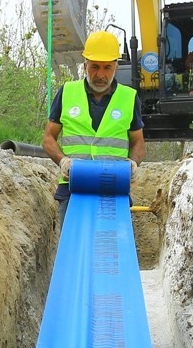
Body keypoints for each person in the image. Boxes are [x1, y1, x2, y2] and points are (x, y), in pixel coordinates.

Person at [42, 29, 145, 223]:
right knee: (72, 248)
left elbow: (138, 141)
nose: (100, 74)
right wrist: (62, 160)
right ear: (85, 65)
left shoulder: (129, 98)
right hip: (73, 188)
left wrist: (133, 162)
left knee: (110, 248)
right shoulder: (67, 92)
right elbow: (48, 138)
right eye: (95, 67)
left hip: (113, 188)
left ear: (116, 66)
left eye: (107, 67)